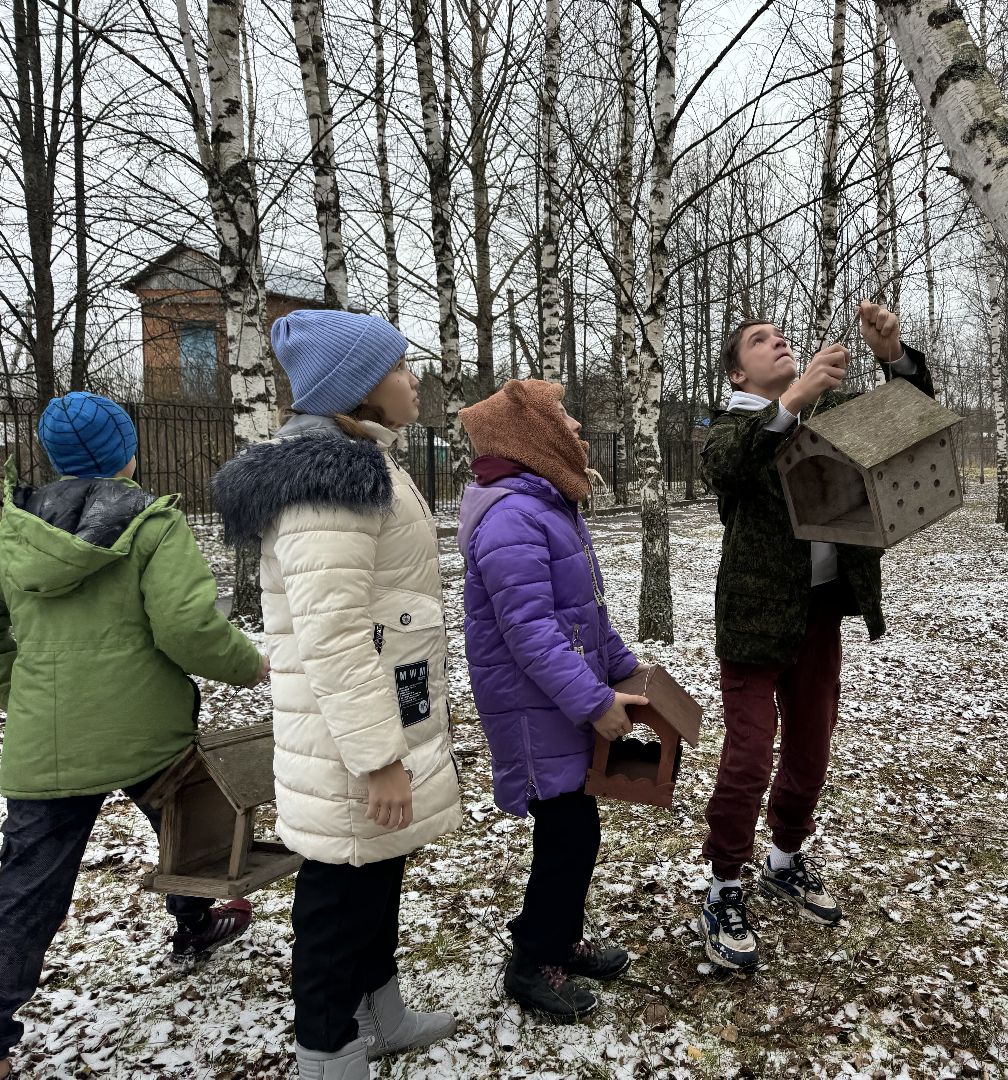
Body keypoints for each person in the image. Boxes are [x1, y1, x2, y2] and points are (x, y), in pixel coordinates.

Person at [212, 310, 462, 1080]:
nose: (413, 378)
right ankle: (328, 1052)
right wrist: (379, 756)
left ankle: (378, 1014)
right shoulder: (330, 483)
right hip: (350, 738)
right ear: (357, 389)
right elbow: (333, 636)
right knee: (337, 890)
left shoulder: (367, 461)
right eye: (399, 368)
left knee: (376, 869)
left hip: (386, 712)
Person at [0, 391, 267, 1080]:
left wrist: (29, 695)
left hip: (44, 740)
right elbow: (186, 629)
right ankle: (196, 920)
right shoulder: (150, 525)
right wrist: (249, 665)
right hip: (148, 731)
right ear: (126, 452)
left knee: (27, 889)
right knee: (193, 827)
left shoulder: (11, 531)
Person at [696, 301, 934, 971]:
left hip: (820, 614)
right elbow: (728, 468)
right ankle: (723, 887)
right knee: (748, 759)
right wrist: (794, 399)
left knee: (811, 752)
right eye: (760, 341)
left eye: (781, 336)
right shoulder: (729, 428)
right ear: (739, 376)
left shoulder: (825, 415)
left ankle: (785, 859)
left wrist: (893, 356)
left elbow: (910, 415)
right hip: (754, 619)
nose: (779, 343)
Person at [456, 379, 645, 1023]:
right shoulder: (512, 517)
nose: (576, 429)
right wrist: (595, 702)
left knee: (576, 834)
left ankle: (557, 940)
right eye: (561, 418)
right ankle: (534, 960)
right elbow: (531, 633)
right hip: (534, 714)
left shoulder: (547, 506)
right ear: (529, 439)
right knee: (566, 838)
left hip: (557, 706)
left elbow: (582, 614)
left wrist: (629, 670)